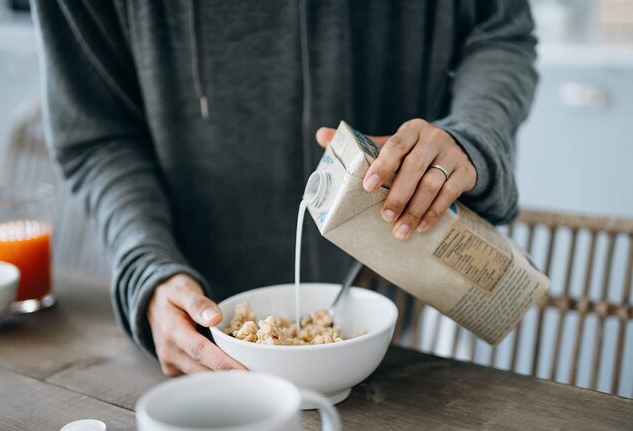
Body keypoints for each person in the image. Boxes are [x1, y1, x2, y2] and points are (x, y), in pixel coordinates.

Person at [32, 1, 537, 376]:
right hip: (200, 336)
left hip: (391, 318)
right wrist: (146, 266)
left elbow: (500, 33)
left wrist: (471, 135)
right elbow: (97, 133)